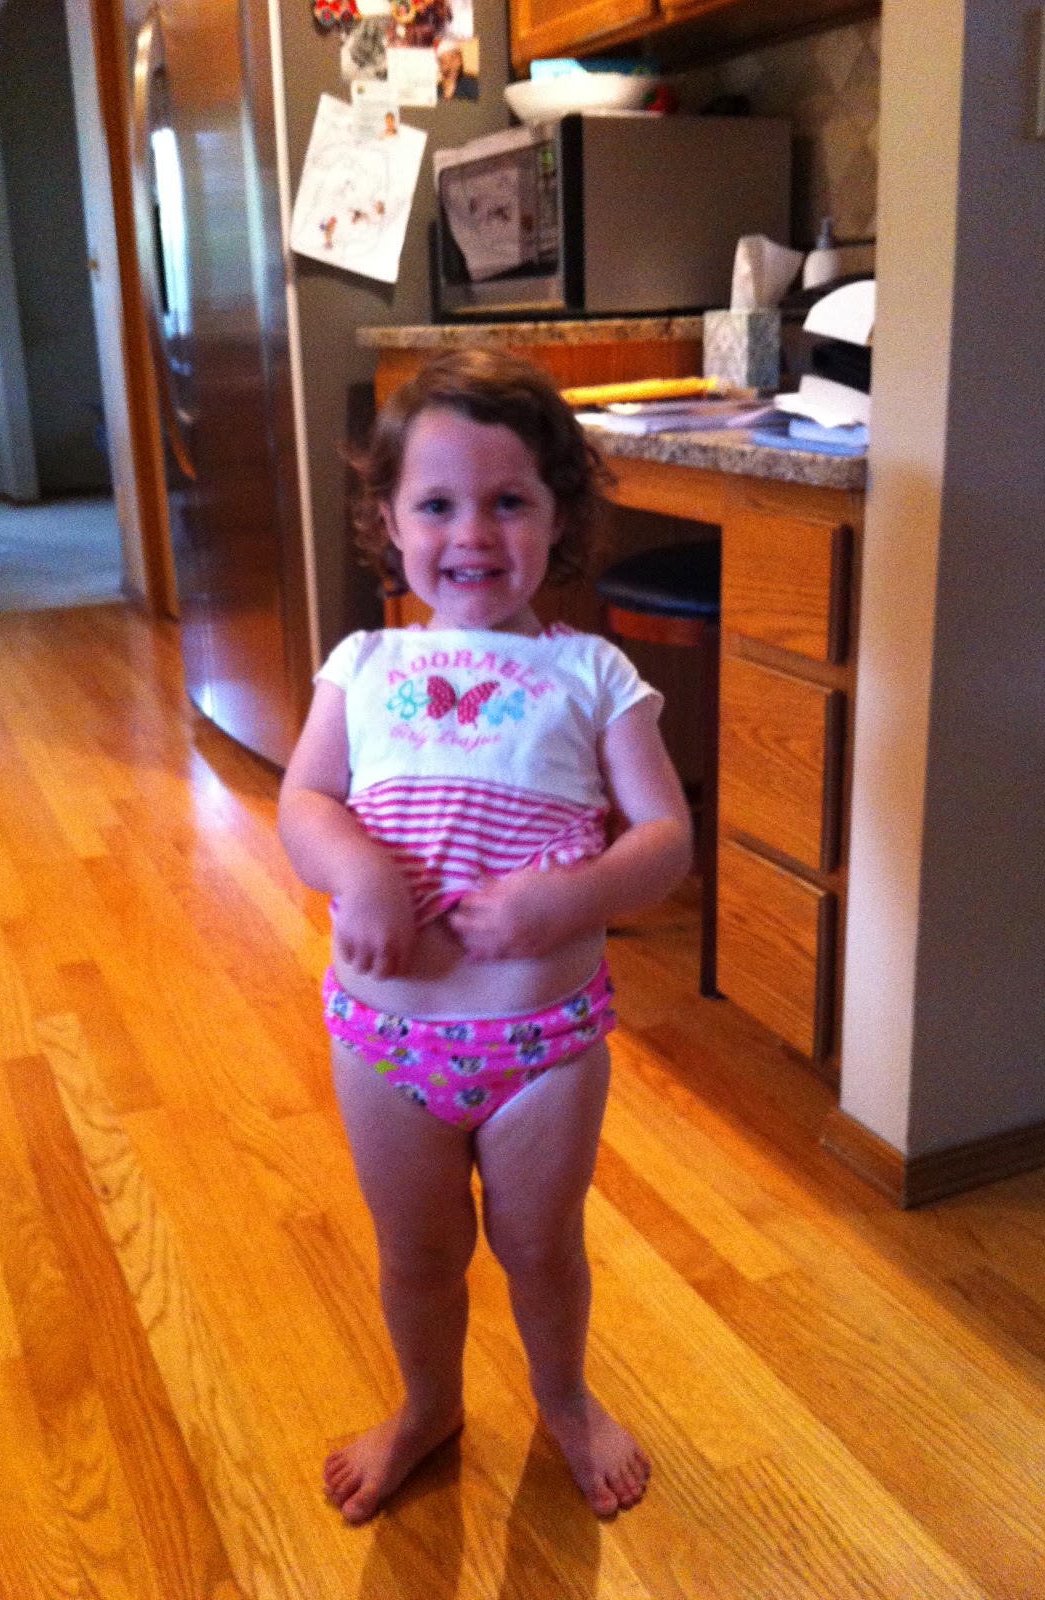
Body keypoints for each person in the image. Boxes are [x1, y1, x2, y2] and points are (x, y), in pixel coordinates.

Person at [278, 348, 692, 1524]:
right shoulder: (365, 664)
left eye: (509, 500)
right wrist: (356, 867)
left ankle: (563, 1396)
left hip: (540, 1045)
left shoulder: (591, 673)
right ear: (388, 520)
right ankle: (428, 1403)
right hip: (387, 1044)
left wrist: (576, 898)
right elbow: (303, 800)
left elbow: (665, 835)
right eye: (437, 504)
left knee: (542, 1246)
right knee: (415, 1252)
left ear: (560, 517)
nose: (472, 532)